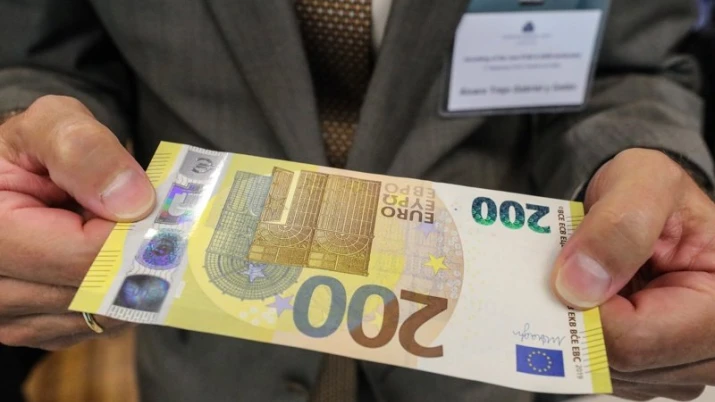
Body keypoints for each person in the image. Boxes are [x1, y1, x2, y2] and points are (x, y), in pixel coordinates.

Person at [0, 1, 714, 401]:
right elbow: (45, 53)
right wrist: (31, 134)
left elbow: (625, 64)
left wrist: (643, 159)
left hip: (481, 353)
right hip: (208, 353)